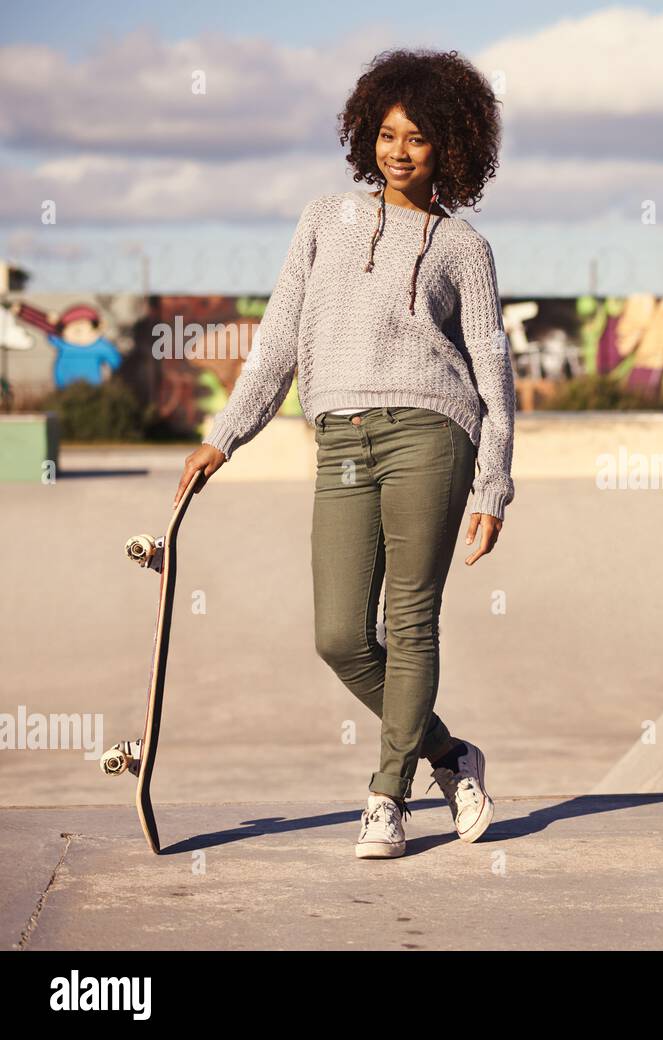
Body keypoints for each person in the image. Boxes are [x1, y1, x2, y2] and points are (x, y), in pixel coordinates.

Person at [173, 49, 516, 859]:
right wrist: (222, 436)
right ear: (368, 136)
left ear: (450, 149)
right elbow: (278, 342)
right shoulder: (324, 218)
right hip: (341, 441)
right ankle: (448, 756)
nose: (400, 151)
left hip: (431, 434)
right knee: (338, 636)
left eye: (419, 139)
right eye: (388, 135)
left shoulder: (463, 248)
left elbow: (494, 372)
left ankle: (385, 797)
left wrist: (493, 483)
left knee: (411, 617)